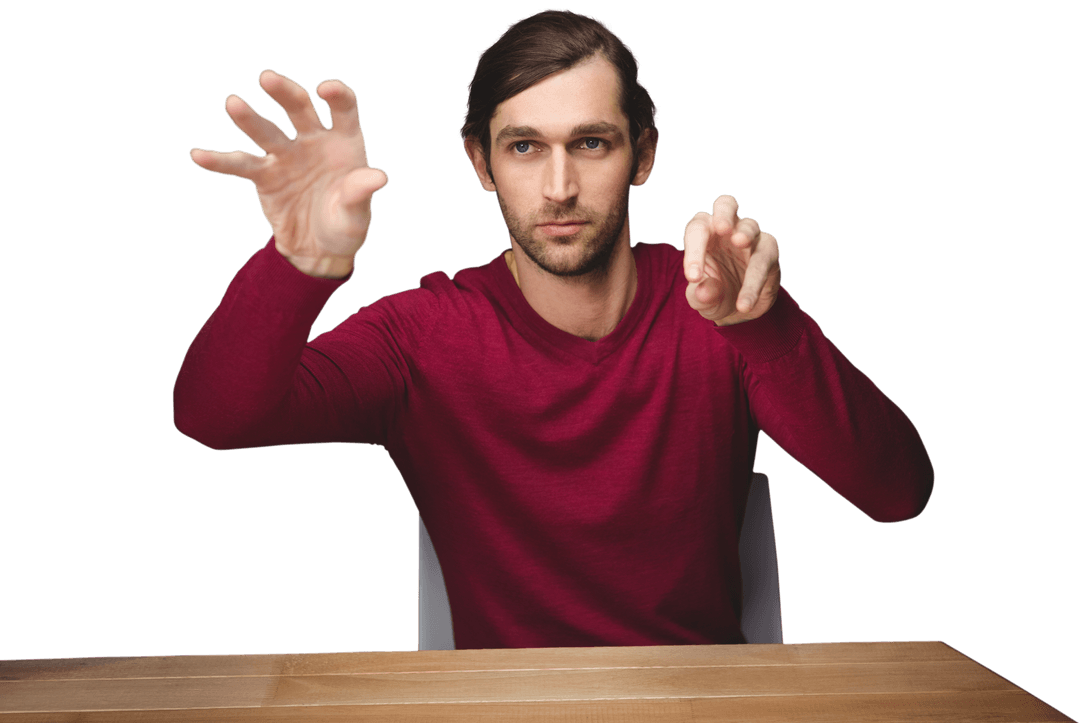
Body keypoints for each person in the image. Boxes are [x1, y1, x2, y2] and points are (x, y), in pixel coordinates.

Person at [174, 9, 934, 650]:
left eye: (591, 143)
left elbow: (898, 492)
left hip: (700, 704)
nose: (560, 186)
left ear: (644, 153)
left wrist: (764, 326)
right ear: (482, 163)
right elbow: (213, 416)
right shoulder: (423, 335)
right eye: (525, 147)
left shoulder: (717, 304)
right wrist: (299, 264)